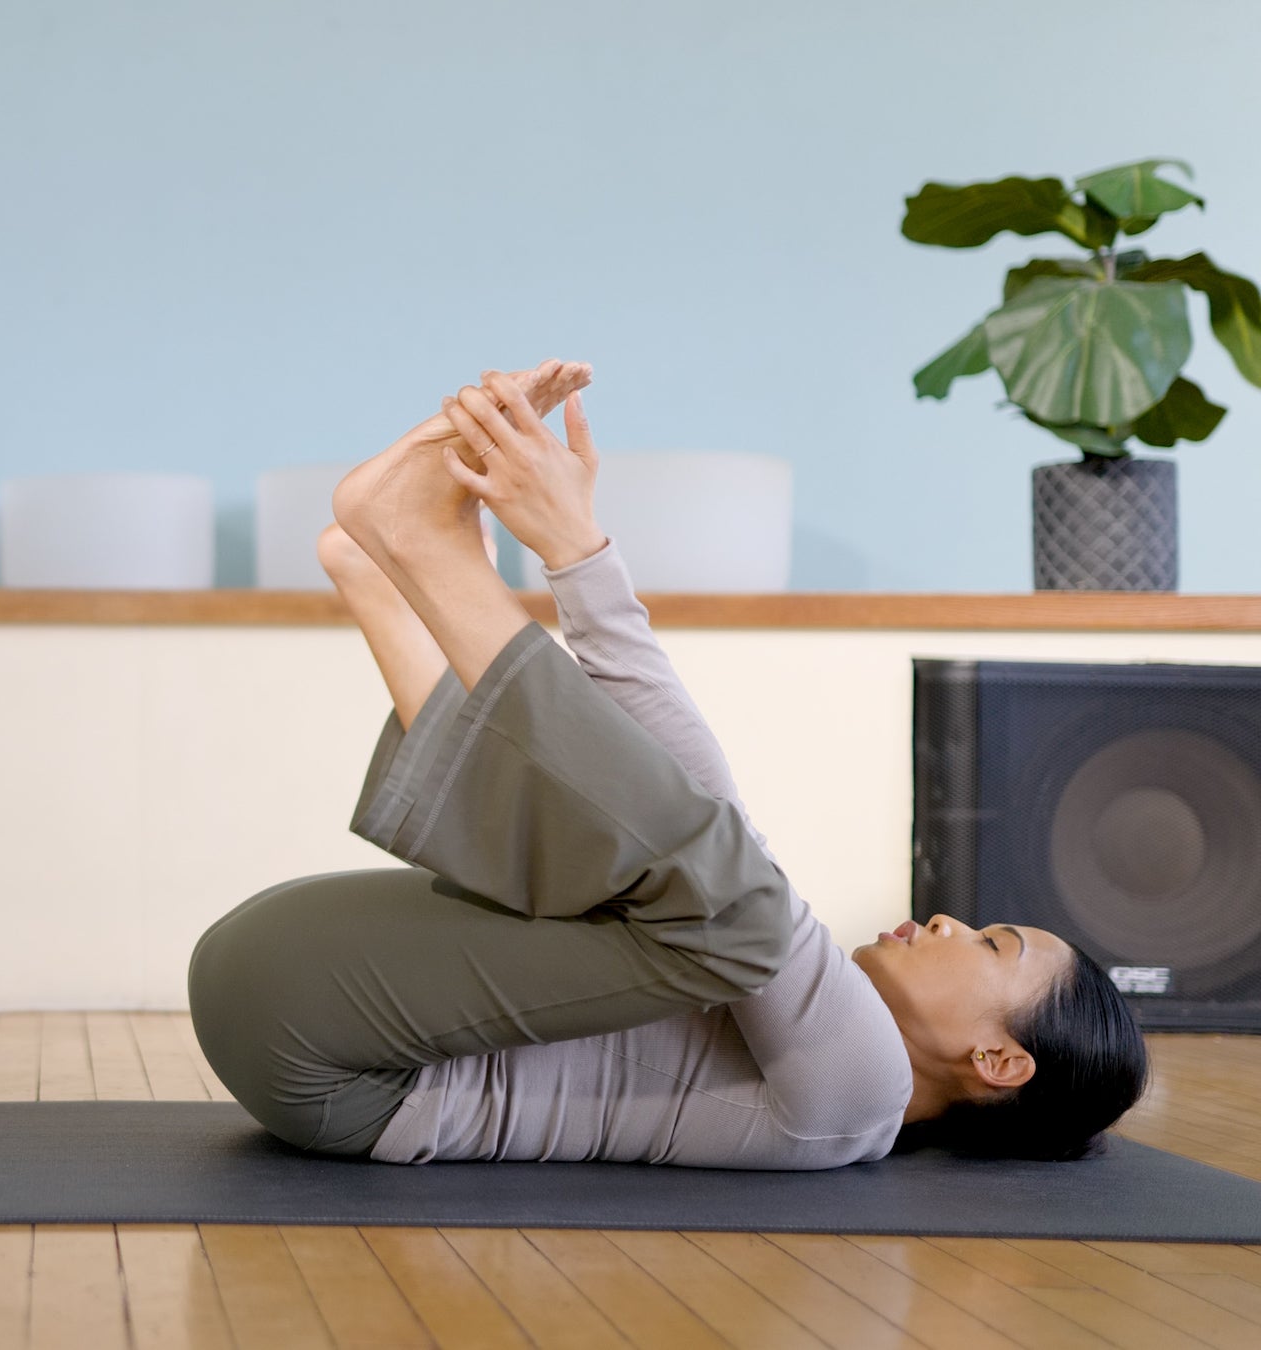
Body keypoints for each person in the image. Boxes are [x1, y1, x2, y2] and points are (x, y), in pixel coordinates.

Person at [186, 362, 1149, 1168]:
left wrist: (578, 554)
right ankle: (393, 575)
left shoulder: (859, 1105)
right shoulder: (737, 986)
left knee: (728, 900)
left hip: (340, 1069)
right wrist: (574, 562)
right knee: (651, 866)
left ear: (1001, 1062)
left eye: (990, 946)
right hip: (305, 1006)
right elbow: (696, 817)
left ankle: (432, 559)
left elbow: (726, 855)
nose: (950, 919)